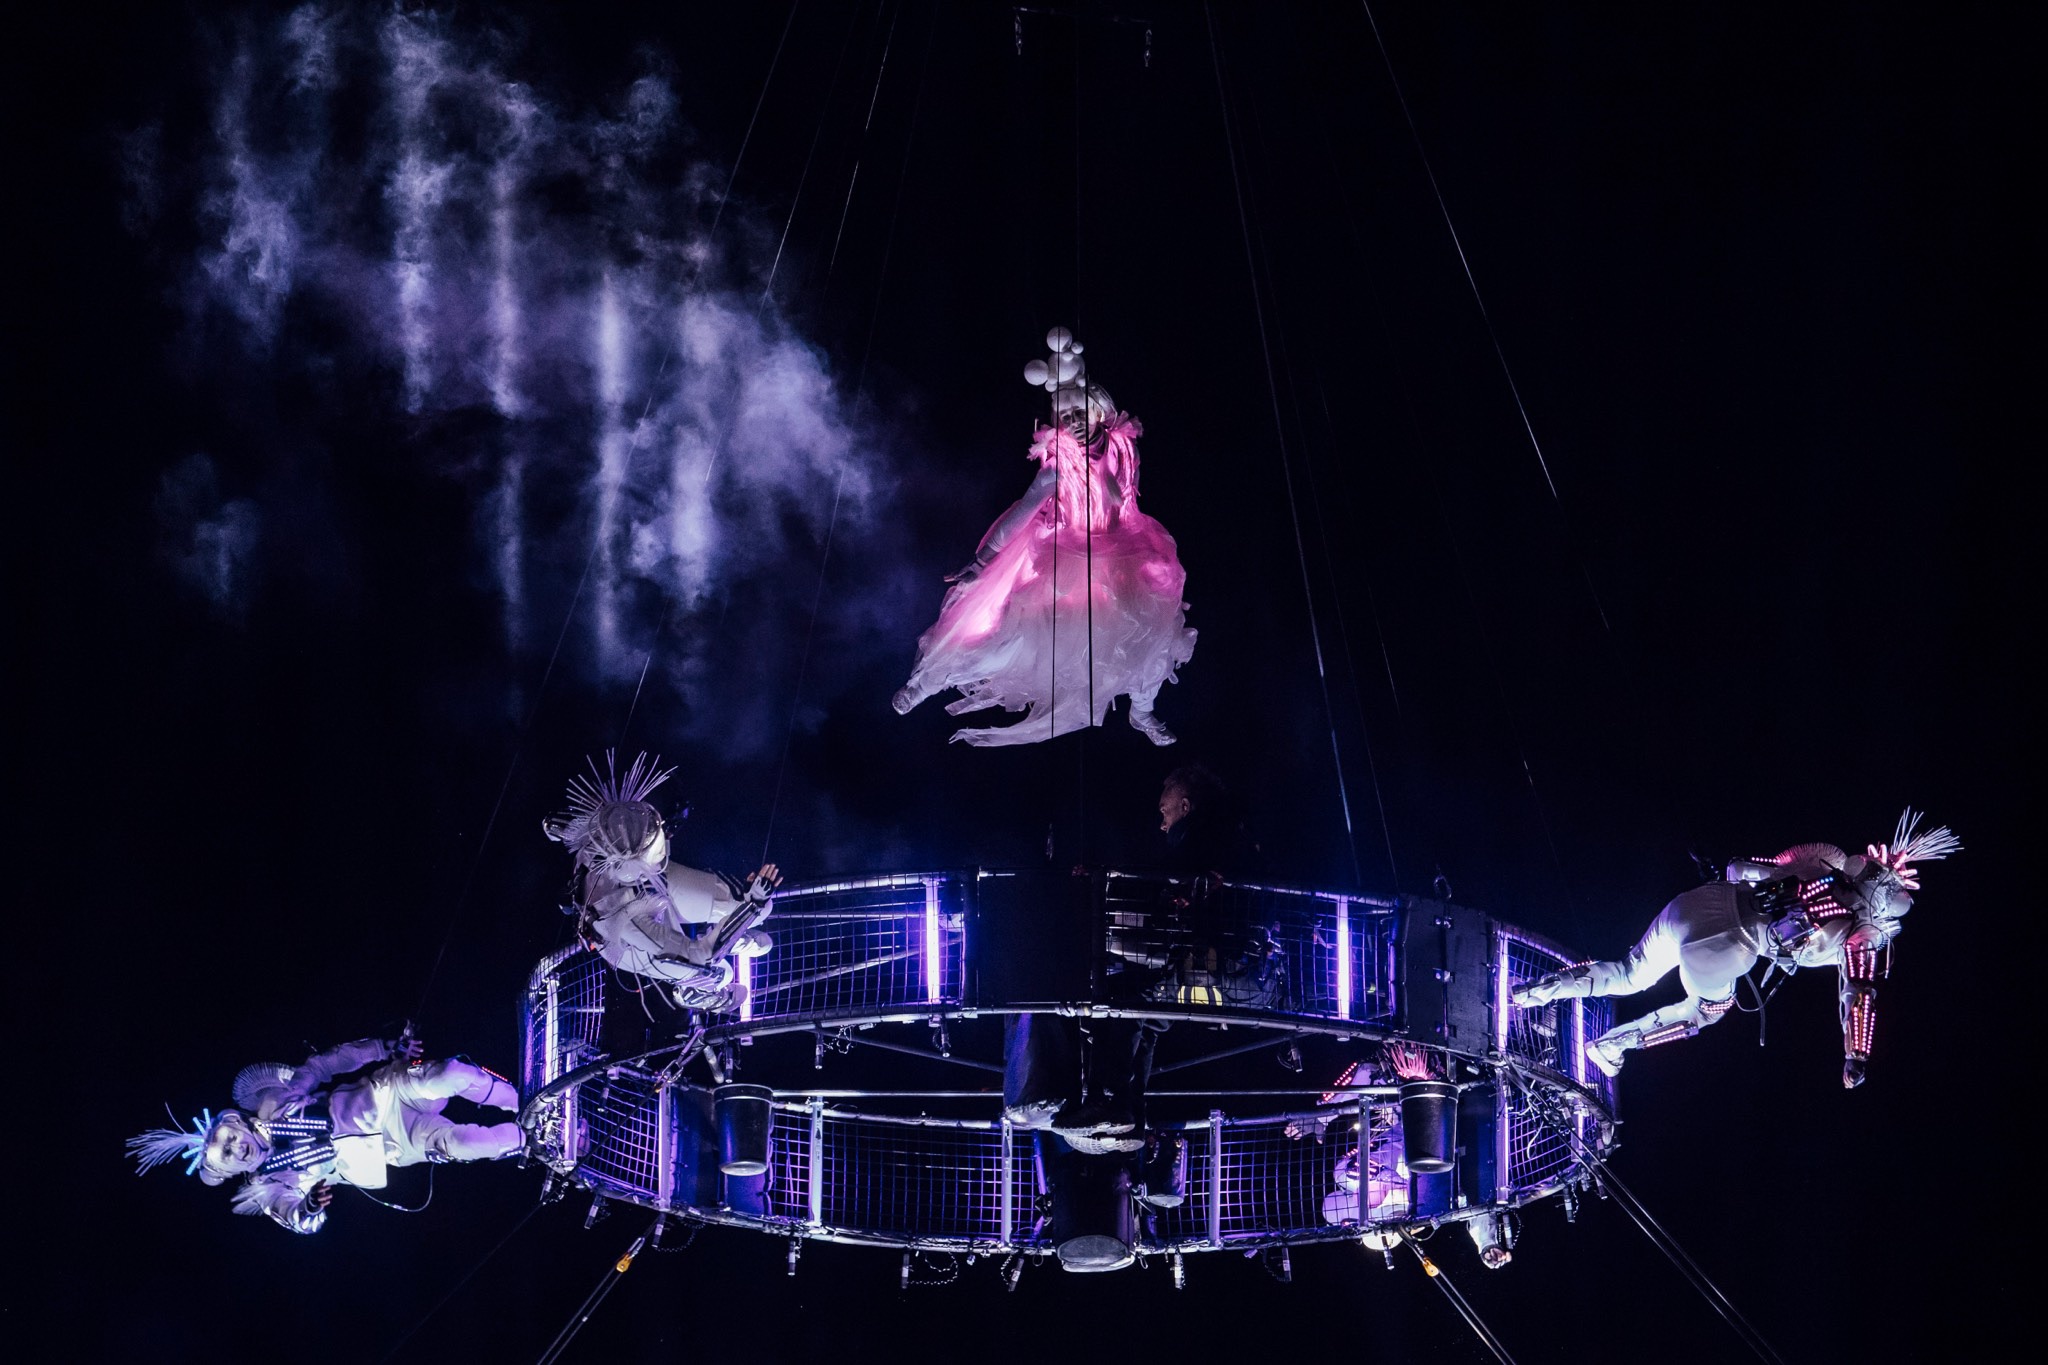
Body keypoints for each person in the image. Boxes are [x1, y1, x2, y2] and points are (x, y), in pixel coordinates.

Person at [893, 327, 1197, 746]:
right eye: (1064, 418)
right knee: (1011, 634)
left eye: (1079, 413)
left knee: (1151, 635)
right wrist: (982, 562)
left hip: (1128, 551)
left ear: (1098, 411)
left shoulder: (1124, 446)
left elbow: (1117, 489)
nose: (1073, 423)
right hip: (1071, 557)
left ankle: (1142, 712)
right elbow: (1021, 512)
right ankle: (926, 683)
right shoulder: (1056, 469)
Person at [1513, 809, 1959, 1085]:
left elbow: (1740, 867)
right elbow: (1859, 995)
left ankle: (1530, 992)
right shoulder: (1861, 931)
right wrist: (1856, 1055)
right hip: (1732, 945)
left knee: (1630, 973)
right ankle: (1610, 1047)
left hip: (1703, 901)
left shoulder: (1818, 865)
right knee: (1705, 1011)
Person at [126, 1031, 522, 1234]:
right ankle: (531, 1137)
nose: (236, 1148)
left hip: (385, 1092)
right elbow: (295, 1218)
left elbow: (322, 1065)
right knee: (464, 1143)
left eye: (228, 1139)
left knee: (450, 1073)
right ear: (231, 1172)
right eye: (227, 1156)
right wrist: (310, 1208)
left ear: (235, 1123)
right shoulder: (272, 1183)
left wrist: (384, 1047)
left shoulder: (272, 1102)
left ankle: (521, 1101)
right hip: (395, 1144)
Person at [546, 752, 781, 1012]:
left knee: (759, 911)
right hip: (632, 945)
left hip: (647, 881)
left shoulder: (607, 830)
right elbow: (701, 956)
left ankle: (725, 935)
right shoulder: (625, 918)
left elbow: (562, 823)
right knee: (719, 971)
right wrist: (753, 906)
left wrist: (750, 901)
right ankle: (694, 992)